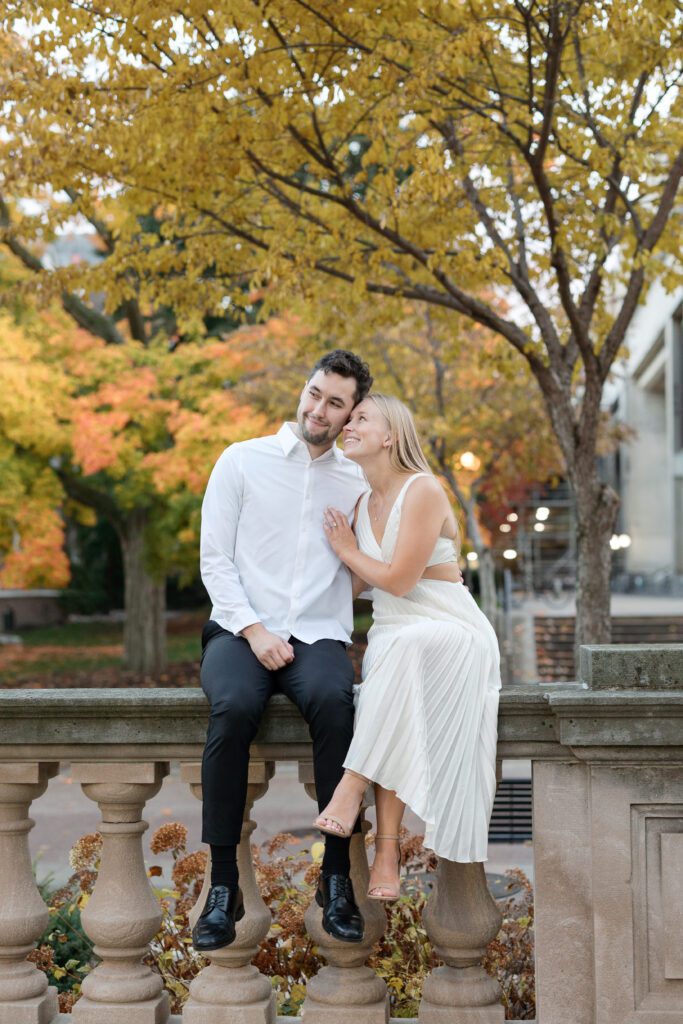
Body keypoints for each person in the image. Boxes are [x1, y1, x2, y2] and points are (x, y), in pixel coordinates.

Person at [192, 349, 373, 951]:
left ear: (351, 416)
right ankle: (223, 887)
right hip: (240, 630)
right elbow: (214, 558)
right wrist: (254, 631)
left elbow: (366, 567)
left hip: (318, 633)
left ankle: (336, 877)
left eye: (335, 403)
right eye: (315, 393)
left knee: (334, 701)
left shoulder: (356, 480)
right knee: (234, 708)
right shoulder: (241, 460)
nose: (318, 408)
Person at [314, 393, 501, 900]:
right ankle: (387, 853)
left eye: (360, 419)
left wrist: (348, 551)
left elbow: (396, 580)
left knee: (400, 653)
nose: (348, 425)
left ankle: (351, 788)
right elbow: (349, 589)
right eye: (347, 420)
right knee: (387, 676)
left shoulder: (423, 489)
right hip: (394, 632)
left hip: (449, 625)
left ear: (390, 434)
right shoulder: (358, 503)